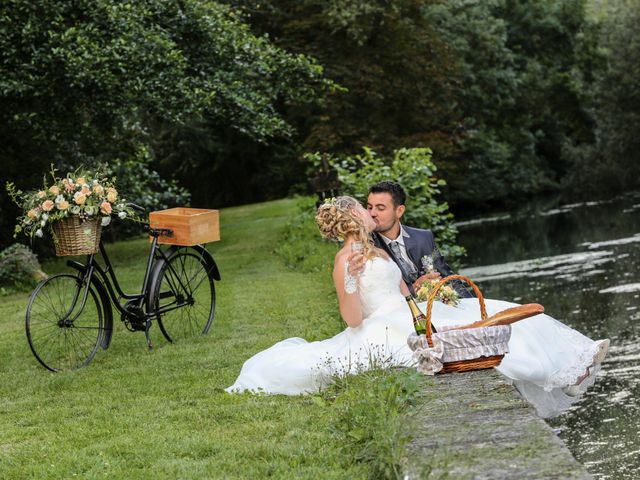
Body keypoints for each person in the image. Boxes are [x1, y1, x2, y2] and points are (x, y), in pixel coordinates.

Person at [226, 196, 609, 418]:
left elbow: (401, 289)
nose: (370, 213)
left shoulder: (375, 249)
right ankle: (551, 374)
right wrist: (350, 282)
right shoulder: (347, 259)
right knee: (462, 337)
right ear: (352, 217)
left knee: (489, 311)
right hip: (381, 326)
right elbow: (351, 317)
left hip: (410, 310)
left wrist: (426, 294)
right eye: (364, 208)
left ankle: (571, 366)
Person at [367, 181, 471, 297]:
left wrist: (475, 307)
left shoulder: (424, 237)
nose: (372, 213)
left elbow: (449, 278)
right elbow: (379, 296)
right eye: (369, 207)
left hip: (438, 308)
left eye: (380, 208)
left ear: (399, 211)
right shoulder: (367, 246)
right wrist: (415, 288)